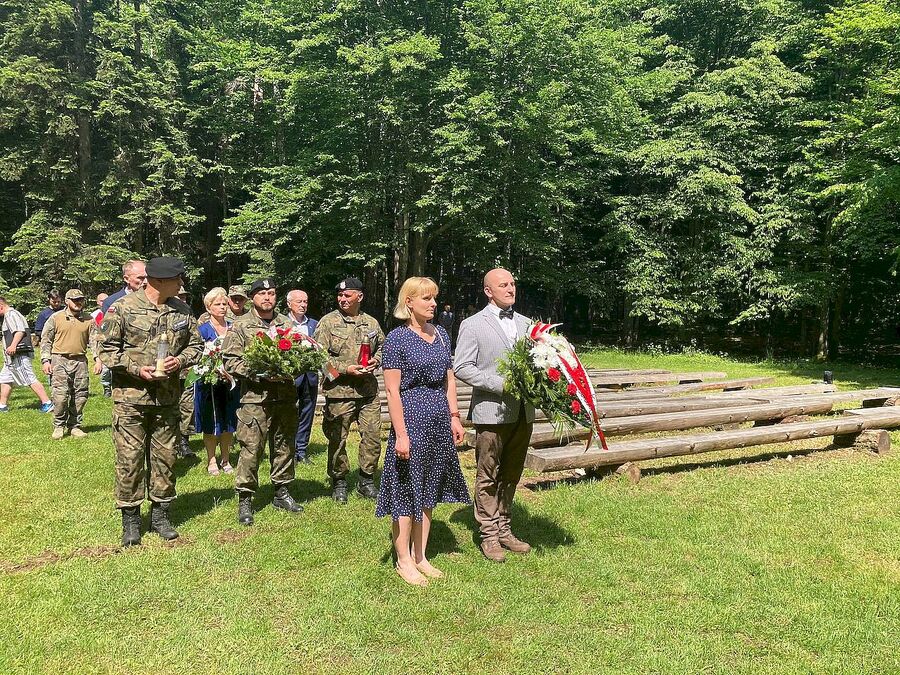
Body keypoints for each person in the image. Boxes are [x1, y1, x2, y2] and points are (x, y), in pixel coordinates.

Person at [97, 257, 202, 547]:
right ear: (159, 280)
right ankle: (130, 520)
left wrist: (179, 360)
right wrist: (135, 368)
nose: (182, 284)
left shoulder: (181, 310)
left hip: (167, 400)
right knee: (130, 461)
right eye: (178, 279)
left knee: (165, 459)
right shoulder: (123, 308)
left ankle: (160, 515)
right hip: (131, 400)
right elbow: (105, 349)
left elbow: (197, 345)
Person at [377, 277, 470, 586]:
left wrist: (455, 416)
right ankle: (403, 559)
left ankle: (421, 555)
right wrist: (401, 434)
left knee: (429, 487)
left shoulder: (441, 333)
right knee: (405, 489)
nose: (433, 304)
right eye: (427, 299)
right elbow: (392, 392)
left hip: (439, 421)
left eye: (434, 298)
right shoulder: (396, 339)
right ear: (409, 303)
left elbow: (449, 380)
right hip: (411, 420)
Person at [453, 268, 535, 563]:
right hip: (491, 411)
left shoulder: (528, 325)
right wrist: (500, 384)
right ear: (488, 291)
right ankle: (488, 534)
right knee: (488, 473)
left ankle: (504, 528)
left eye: (513, 283)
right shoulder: (473, 324)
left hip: (523, 412)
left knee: (511, 473)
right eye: (503, 285)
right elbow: (462, 366)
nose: (511, 288)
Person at [222, 278, 303, 526]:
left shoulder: (286, 324)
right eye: (262, 294)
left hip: (285, 396)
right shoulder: (241, 325)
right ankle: (246, 497)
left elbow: (300, 355)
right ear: (253, 297)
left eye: (271, 293)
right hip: (254, 398)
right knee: (251, 447)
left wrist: (294, 367)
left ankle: (282, 491)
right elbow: (230, 361)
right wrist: (259, 372)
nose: (267, 298)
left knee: (284, 445)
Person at [313, 277, 385, 503]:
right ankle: (340, 482)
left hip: (367, 392)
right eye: (340, 295)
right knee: (338, 440)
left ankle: (366, 480)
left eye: (347, 295)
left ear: (359, 297)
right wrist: (346, 369)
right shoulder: (328, 322)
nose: (342, 299)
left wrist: (376, 361)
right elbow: (317, 356)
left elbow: (383, 347)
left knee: (372, 437)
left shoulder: (371, 323)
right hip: (339, 393)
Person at [194, 287, 239, 476]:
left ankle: (226, 458)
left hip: (230, 382)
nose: (222, 307)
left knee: (229, 420)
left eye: (224, 304)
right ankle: (211, 459)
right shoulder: (202, 330)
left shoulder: (232, 327)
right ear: (208, 307)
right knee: (211, 421)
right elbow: (197, 355)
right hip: (209, 383)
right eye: (217, 304)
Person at [40, 289, 93, 439]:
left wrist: (98, 359)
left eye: (80, 300)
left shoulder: (88, 319)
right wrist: (45, 360)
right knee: (60, 396)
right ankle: (58, 425)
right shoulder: (56, 318)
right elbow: (46, 340)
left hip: (80, 361)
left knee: (80, 395)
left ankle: (75, 425)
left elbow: (95, 341)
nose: (78, 303)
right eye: (75, 300)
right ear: (67, 301)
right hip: (59, 360)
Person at [0, 296, 52, 413]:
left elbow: (19, 331)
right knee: (5, 379)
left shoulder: (11, 315)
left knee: (29, 378)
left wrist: (13, 346)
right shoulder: (9, 315)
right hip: (10, 358)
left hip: (18, 354)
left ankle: (47, 403)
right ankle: (2, 406)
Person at [286, 289, 318, 464]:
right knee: (289, 413)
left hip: (310, 376)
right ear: (289, 304)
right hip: (290, 377)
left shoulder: (315, 324)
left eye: (305, 302)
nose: (303, 305)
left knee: (307, 412)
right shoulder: (282, 324)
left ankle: (302, 450)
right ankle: (287, 449)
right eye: (299, 302)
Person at [176, 285, 197, 458]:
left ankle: (184, 441)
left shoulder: (188, 314)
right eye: (179, 296)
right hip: (166, 374)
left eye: (184, 297)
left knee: (187, 407)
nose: (183, 299)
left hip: (186, 371)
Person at [92, 293, 111, 396]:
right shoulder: (95, 315)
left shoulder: (114, 311)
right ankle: (106, 388)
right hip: (101, 344)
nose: (104, 303)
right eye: (102, 301)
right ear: (97, 302)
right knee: (105, 370)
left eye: (106, 300)